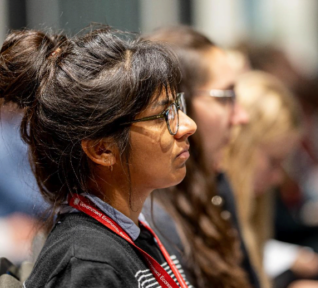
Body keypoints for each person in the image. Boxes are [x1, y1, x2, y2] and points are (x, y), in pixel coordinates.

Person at [0, 26, 197, 287]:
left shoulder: (134, 232)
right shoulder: (87, 266)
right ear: (102, 150)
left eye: (177, 106)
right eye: (164, 116)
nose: (188, 125)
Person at [142, 26, 257, 288]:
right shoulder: (149, 218)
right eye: (225, 97)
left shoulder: (215, 184)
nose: (242, 116)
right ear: (177, 106)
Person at [224, 71, 318, 288]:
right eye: (273, 161)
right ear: (240, 149)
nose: (277, 178)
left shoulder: (238, 207)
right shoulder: (208, 210)